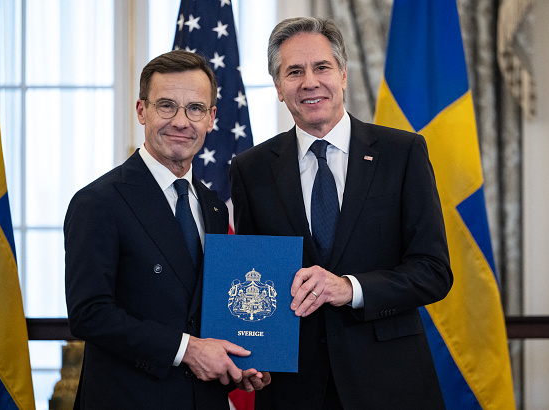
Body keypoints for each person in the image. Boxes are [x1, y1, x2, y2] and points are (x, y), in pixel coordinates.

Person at [229, 17, 453, 409]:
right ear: (279, 89)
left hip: (390, 381)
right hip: (292, 387)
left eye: (321, 67)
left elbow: (433, 272)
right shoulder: (251, 169)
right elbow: (254, 271)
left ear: (344, 75)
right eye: (293, 72)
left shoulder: (402, 154)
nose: (309, 82)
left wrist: (350, 288)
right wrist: (255, 354)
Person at [65, 50, 269, 409]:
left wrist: (239, 363)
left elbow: (210, 310)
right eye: (166, 106)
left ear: (211, 118)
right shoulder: (98, 202)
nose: (181, 121)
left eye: (195, 108)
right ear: (142, 110)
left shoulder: (215, 207)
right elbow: (89, 314)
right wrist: (187, 350)